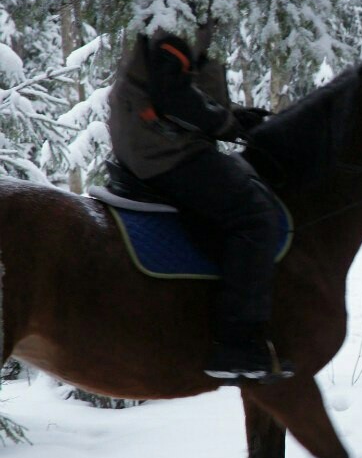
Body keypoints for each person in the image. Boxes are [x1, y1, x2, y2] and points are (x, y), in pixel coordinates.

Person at [106, 23, 292, 381]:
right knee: (254, 216)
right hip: (162, 149)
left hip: (155, 142)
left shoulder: (178, 6)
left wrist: (232, 116)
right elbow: (172, 95)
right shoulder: (180, 13)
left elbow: (181, 88)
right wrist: (225, 123)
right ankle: (235, 346)